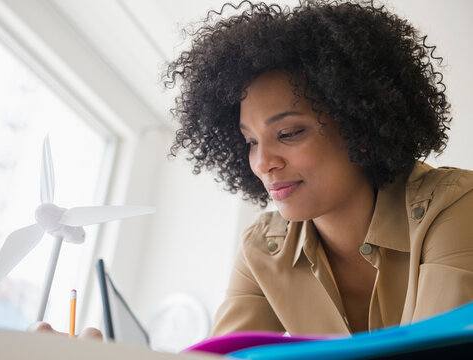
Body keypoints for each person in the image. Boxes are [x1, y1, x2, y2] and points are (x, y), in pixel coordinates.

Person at [164, 0, 473, 336]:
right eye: (251, 141)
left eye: (288, 133)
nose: (263, 162)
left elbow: (437, 350)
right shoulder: (263, 249)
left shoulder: (455, 207)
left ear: (360, 126)